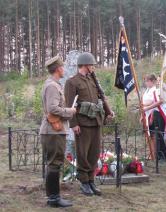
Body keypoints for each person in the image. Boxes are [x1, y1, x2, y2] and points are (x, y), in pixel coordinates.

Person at [64, 52, 114, 196]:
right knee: (83, 153)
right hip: (83, 123)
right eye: (91, 64)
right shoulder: (72, 82)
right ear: (85, 65)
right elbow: (69, 104)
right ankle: (84, 182)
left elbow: (101, 98)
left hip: (95, 122)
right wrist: (73, 124)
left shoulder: (92, 80)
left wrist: (108, 111)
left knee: (94, 153)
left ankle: (91, 180)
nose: (93, 67)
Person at [39, 55, 76, 207]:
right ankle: (54, 198)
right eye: (63, 67)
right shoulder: (52, 86)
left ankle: (53, 197)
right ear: (58, 69)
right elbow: (52, 108)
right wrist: (70, 111)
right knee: (54, 164)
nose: (64, 69)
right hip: (53, 131)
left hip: (54, 131)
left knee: (53, 163)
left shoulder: (53, 84)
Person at [142, 74, 166, 161]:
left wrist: (147, 108)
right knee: (155, 134)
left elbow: (159, 102)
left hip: (160, 113)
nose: (158, 82)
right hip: (155, 112)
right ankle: (157, 155)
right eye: (158, 80)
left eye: (160, 81)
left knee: (159, 134)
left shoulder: (160, 90)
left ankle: (163, 155)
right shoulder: (153, 90)